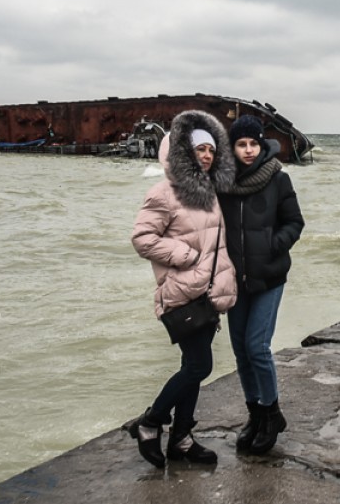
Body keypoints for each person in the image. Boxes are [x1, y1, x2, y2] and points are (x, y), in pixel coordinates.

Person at [123, 110, 238, 468]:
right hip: (180, 291)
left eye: (210, 150)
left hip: (205, 295)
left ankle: (182, 439)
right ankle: (151, 422)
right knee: (199, 366)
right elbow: (142, 239)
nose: (206, 155)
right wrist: (186, 256)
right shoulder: (164, 192)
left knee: (194, 364)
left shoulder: (210, 192)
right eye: (198, 150)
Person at [219, 115, 304, 455]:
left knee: (257, 346)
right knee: (241, 352)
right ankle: (255, 413)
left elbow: (295, 222)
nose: (249, 150)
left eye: (254, 143)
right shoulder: (221, 182)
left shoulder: (277, 179)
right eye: (242, 144)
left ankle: (271, 412)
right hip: (234, 279)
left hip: (269, 276)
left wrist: (271, 244)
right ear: (233, 147)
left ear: (261, 144)